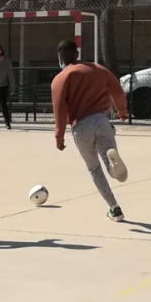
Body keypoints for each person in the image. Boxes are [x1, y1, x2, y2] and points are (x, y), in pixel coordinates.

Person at [50, 40, 130, 222]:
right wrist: (122, 110)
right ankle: (114, 168)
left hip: (81, 126)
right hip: (101, 120)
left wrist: (59, 135)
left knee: (94, 169)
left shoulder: (60, 79)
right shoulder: (97, 69)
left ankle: (114, 208)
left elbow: (60, 109)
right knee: (109, 161)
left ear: (60, 57)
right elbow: (116, 89)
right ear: (77, 54)